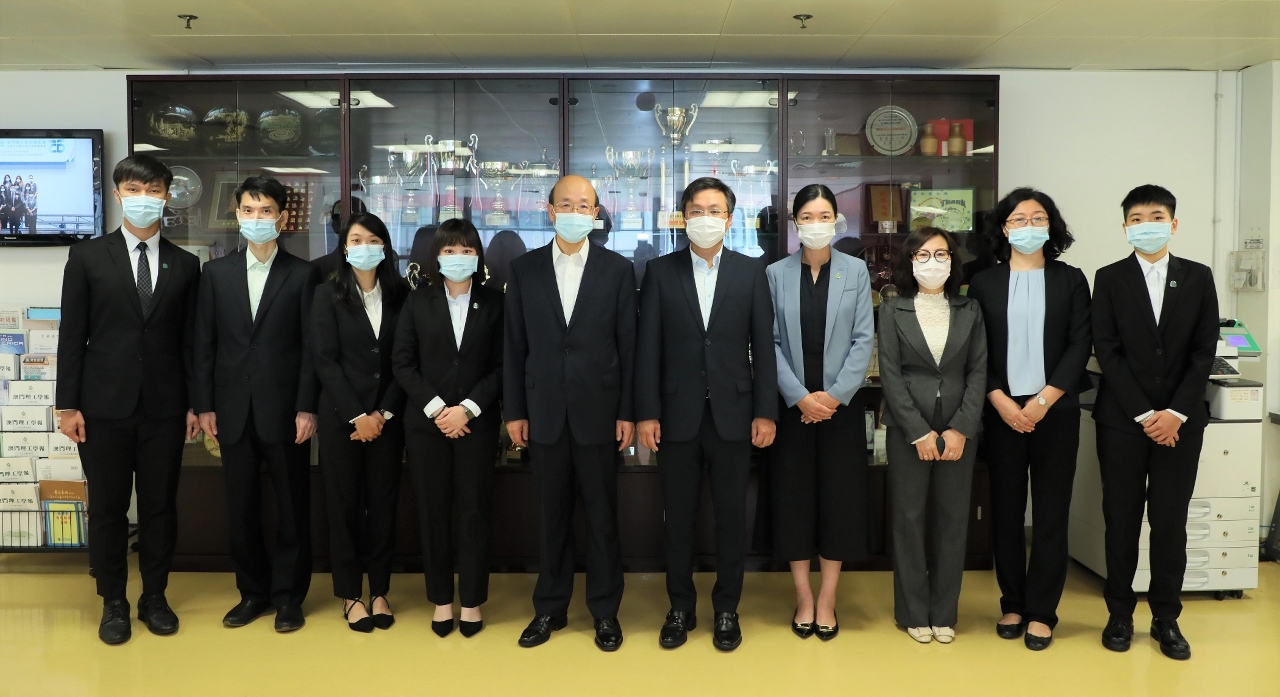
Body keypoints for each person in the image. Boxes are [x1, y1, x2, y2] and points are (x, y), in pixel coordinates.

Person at [55, 155, 201, 645]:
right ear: (118, 195)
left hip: (165, 408)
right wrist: (67, 404)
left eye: (153, 190)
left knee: (160, 508)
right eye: (134, 189)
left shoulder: (186, 264)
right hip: (101, 407)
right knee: (108, 508)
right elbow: (72, 335)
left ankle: (154, 596)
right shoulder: (87, 257)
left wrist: (194, 403)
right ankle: (113, 601)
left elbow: (190, 342)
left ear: (167, 197)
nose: (143, 198)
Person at [636, 177, 778, 652]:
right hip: (675, 415)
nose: (705, 218)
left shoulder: (751, 272)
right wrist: (647, 412)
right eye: (696, 210)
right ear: (684, 218)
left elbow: (764, 347)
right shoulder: (660, 271)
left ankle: (727, 609)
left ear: (729, 219)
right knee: (677, 518)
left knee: (731, 518)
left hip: (735, 414)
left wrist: (766, 412)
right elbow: (648, 349)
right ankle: (680, 607)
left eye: (714, 210)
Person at [505, 174, 636, 652]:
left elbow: (628, 346)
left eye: (585, 205)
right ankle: (550, 608)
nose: (576, 212)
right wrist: (515, 410)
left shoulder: (618, 270)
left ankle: (605, 611)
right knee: (551, 518)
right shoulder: (524, 270)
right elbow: (513, 346)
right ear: (550, 210)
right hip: (543, 412)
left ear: (596, 214)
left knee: (602, 518)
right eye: (567, 204)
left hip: (600, 412)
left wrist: (627, 411)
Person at [1092, 185, 1218, 661]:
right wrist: (1145, 414)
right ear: (1125, 227)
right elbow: (1107, 350)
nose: (1147, 224)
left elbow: (1204, 350)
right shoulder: (1109, 278)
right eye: (1137, 218)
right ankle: (1119, 614)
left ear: (1174, 224)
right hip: (1123, 421)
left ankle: (1166, 617)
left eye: (1157, 216)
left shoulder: (1198, 277)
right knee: (1120, 520)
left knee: (1169, 521)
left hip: (1181, 424)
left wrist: (1176, 413)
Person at [194, 175, 322, 633]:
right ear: (237, 215)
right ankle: (252, 593)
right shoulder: (216, 274)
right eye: (248, 210)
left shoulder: (304, 274)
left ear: (282, 218)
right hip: (231, 410)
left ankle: (288, 598)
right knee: (241, 509)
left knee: (292, 509)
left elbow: (312, 348)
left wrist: (307, 407)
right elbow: (204, 344)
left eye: (265, 210)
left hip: (286, 412)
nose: (256, 218)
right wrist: (204, 405)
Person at [967, 188, 1092, 651]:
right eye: (1018, 219)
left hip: (1054, 411)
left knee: (1051, 512)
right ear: (1004, 228)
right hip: (1001, 411)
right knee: (1005, 511)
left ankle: (1042, 611)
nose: (1028, 226)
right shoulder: (984, 282)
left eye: (1038, 218)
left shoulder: (1070, 279)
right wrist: (1000, 400)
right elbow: (976, 349)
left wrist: (1043, 400)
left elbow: (1080, 343)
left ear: (1051, 226)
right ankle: (1013, 603)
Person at [765, 184, 873, 642]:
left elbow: (864, 339)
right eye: (806, 217)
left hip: (839, 410)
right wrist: (799, 397)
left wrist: (832, 397)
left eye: (824, 215)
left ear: (836, 220)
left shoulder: (856, 270)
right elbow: (767, 341)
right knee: (794, 503)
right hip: (792, 409)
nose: (815, 224)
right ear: (795, 223)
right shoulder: (774, 273)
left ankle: (827, 598)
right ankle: (803, 596)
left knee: (838, 503)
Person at [393, 218, 503, 639]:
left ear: (478, 256)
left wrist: (468, 410)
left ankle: (471, 600)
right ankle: (441, 599)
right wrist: (440, 409)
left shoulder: (495, 302)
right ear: (436, 256)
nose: (459, 257)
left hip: (476, 425)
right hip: (427, 426)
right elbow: (403, 362)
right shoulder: (417, 301)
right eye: (450, 250)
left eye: (467, 250)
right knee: (433, 512)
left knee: (474, 512)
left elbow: (503, 364)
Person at [878, 226, 986, 645]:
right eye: (922, 255)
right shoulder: (893, 310)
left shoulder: (970, 308)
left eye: (941, 254)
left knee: (953, 519)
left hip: (959, 424)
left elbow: (978, 371)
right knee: (908, 519)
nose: (932, 262)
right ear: (910, 262)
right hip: (909, 427)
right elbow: (890, 374)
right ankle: (912, 611)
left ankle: (944, 612)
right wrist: (918, 432)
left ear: (953, 261)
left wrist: (961, 428)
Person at [311, 212, 408, 633]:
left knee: (384, 505)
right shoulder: (327, 294)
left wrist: (382, 413)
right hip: (342, 421)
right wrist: (357, 415)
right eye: (356, 239)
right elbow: (325, 361)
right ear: (344, 247)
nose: (364, 246)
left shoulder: (402, 294)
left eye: (373, 239)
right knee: (345, 506)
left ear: (385, 246)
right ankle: (351, 594)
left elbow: (405, 360)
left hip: (387, 420)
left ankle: (380, 591)